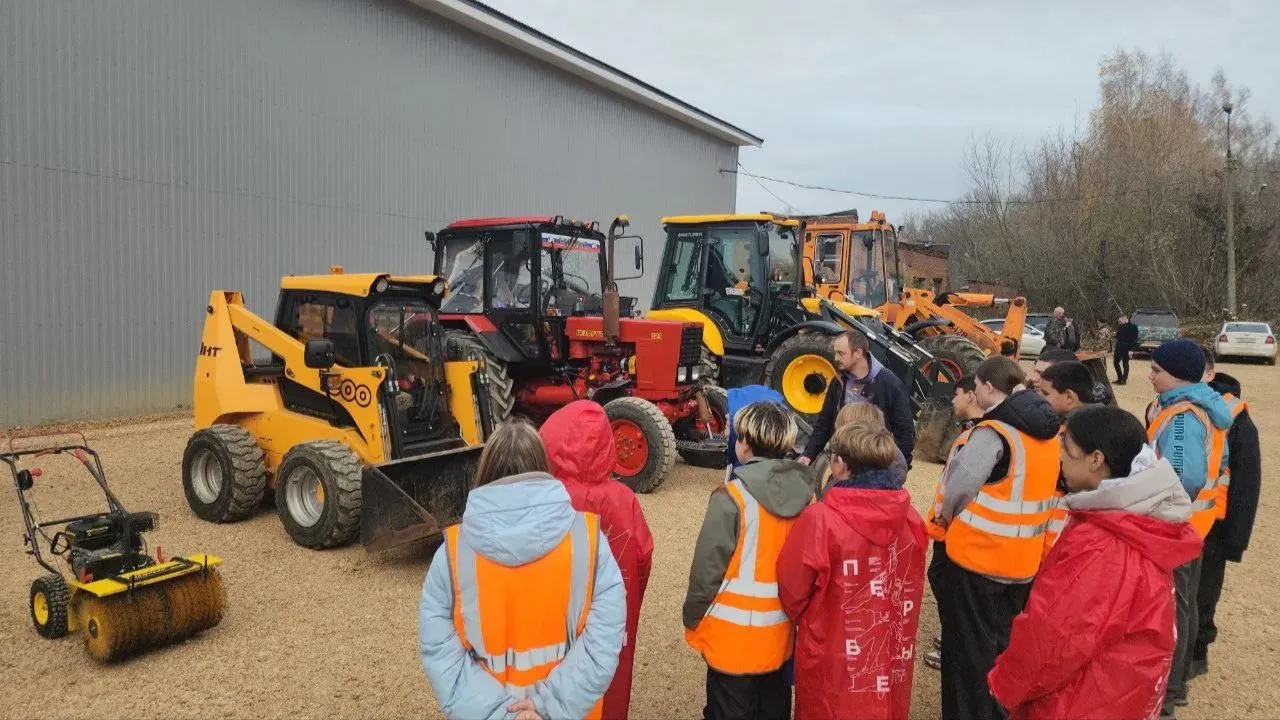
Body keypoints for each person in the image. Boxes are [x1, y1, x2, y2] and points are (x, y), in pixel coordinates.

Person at [988, 405, 1202, 720]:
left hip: (1080, 700)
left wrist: (1005, 683)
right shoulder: (1141, 523)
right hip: (1120, 694)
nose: (1059, 455)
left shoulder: (1101, 544)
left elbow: (1054, 639)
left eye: (1067, 448)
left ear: (1096, 459)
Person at [419, 419, 626, 720]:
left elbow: (441, 653)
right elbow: (603, 641)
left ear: (485, 470)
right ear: (542, 466)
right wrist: (549, 705)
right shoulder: (589, 540)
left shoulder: (452, 554)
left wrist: (500, 713)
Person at [929, 356, 1061, 720]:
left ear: (988, 387)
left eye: (975, 388)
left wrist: (946, 515)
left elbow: (959, 486)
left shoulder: (994, 433)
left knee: (966, 660)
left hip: (978, 563)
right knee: (1001, 652)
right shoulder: (1047, 432)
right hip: (1021, 564)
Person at [777, 419, 927, 720]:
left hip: (832, 651)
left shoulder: (821, 520)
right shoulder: (911, 520)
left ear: (841, 464)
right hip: (889, 652)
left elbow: (792, 591)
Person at [684, 401, 814, 720]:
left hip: (733, 642)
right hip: (781, 636)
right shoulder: (808, 497)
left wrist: (693, 615)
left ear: (745, 443)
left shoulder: (732, 497)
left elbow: (707, 570)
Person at [540, 401, 654, 720]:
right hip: (613, 612)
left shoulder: (543, 495)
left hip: (555, 615)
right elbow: (643, 558)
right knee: (610, 684)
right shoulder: (624, 500)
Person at [1143, 339, 1233, 718]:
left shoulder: (1182, 416)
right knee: (1186, 604)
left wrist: (1152, 502)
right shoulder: (1203, 407)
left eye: (1157, 370)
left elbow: (1186, 475)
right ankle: (1176, 685)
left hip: (1175, 526)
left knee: (1175, 610)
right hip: (1195, 525)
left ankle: (1169, 694)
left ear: (1178, 376)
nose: (1150, 375)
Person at [1192, 346, 1261, 678]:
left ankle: (1197, 651)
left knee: (1203, 591)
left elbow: (1247, 482)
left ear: (1209, 374)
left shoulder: (1236, 417)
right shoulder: (1164, 406)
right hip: (1173, 519)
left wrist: (1236, 539)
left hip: (1213, 526)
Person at [922, 375, 987, 672]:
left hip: (957, 531)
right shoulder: (970, 433)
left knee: (950, 588)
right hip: (949, 529)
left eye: (957, 394)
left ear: (972, 397)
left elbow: (960, 488)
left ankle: (955, 644)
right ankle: (952, 637)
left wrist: (945, 517)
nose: (952, 400)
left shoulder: (977, 438)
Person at [799, 330, 914, 469]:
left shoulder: (890, 384)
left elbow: (905, 431)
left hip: (874, 465)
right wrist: (808, 455)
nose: (836, 357)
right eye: (836, 352)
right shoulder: (839, 381)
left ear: (858, 353)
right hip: (843, 464)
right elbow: (824, 422)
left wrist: (901, 467)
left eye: (841, 353)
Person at [1114, 315, 1139, 384]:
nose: (1119, 322)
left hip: (1127, 347)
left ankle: (1124, 380)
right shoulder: (1120, 326)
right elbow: (1117, 336)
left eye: (1120, 321)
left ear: (1124, 318)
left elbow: (1135, 339)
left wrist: (1131, 350)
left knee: (1125, 363)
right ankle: (1119, 378)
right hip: (1119, 346)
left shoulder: (1133, 327)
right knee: (1115, 362)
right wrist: (1113, 335)